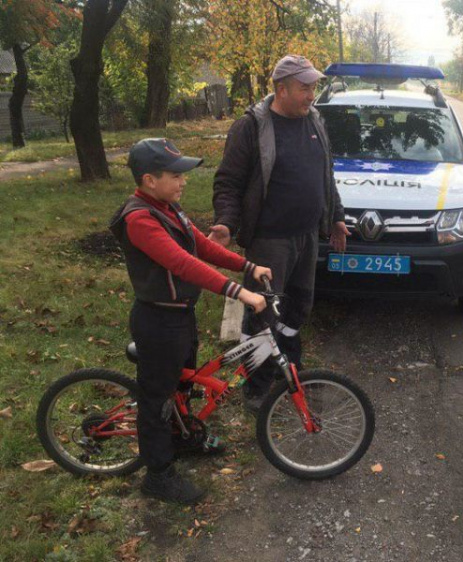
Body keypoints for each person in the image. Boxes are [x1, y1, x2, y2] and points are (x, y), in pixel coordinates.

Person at [110, 138, 272, 504]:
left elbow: (201, 245)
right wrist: (239, 291)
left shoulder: (168, 208)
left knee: (182, 385)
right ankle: (158, 475)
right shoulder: (139, 219)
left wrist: (248, 266)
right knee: (157, 399)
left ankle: (182, 438)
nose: (184, 180)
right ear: (149, 180)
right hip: (157, 320)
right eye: (175, 174)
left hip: (180, 314)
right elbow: (184, 263)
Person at [209, 55, 349, 412]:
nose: (311, 95)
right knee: (261, 312)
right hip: (269, 239)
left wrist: (336, 217)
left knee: (298, 306)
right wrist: (225, 222)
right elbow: (228, 181)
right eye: (304, 88)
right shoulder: (252, 127)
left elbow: (325, 175)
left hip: (306, 235)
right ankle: (256, 385)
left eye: (313, 87)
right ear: (281, 88)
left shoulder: (314, 119)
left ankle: (289, 370)